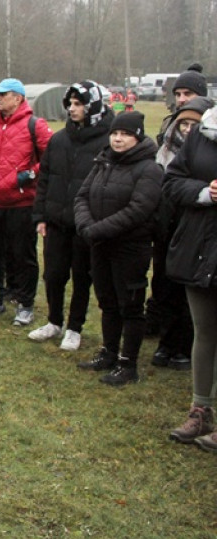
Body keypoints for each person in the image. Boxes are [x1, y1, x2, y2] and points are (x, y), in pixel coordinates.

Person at [74, 112, 162, 385]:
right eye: (114, 133)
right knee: (107, 302)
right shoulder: (103, 161)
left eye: (125, 134)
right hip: (100, 246)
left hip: (130, 248)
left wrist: (96, 230)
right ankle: (109, 353)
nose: (118, 139)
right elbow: (82, 196)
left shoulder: (149, 169)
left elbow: (139, 210)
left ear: (137, 136)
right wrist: (86, 225)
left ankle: (128, 364)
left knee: (130, 306)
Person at [28, 81, 113, 351]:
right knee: (53, 275)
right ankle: (54, 321)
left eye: (79, 104)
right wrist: (41, 215)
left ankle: (75, 327)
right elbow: (45, 179)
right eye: (71, 104)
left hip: (85, 223)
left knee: (81, 277)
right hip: (56, 221)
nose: (73, 109)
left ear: (93, 106)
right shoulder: (59, 139)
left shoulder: (107, 140)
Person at [0, 78, 52, 326]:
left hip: (21, 204)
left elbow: (51, 159)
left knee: (22, 255)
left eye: (3, 94)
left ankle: (25, 304)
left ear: (18, 98)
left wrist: (29, 174)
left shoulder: (35, 125)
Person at [164, 105, 217, 448]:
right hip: (200, 246)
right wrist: (205, 192)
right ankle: (201, 411)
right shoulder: (203, 132)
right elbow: (172, 181)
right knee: (205, 331)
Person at [150, 94, 213, 370]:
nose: (187, 130)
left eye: (193, 124)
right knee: (166, 289)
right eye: (183, 125)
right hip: (171, 230)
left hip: (200, 231)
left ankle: (184, 347)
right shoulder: (165, 149)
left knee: (195, 300)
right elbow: (170, 183)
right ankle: (167, 342)